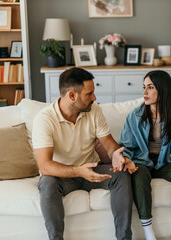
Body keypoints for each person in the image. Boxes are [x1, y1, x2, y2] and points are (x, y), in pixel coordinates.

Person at [32, 67, 133, 240]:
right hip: (60, 176)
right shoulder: (44, 119)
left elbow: (108, 143)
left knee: (121, 175)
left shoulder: (94, 111)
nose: (94, 98)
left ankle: (124, 238)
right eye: (89, 94)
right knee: (47, 184)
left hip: (92, 170)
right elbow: (45, 165)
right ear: (72, 96)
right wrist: (78, 171)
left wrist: (116, 154)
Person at [119, 70, 171, 240]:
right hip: (141, 163)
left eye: (150, 87)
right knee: (139, 174)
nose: (144, 92)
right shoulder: (134, 116)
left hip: (163, 163)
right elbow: (126, 146)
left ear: (162, 90)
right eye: (144, 87)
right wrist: (127, 160)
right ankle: (150, 235)